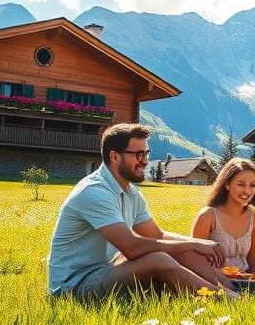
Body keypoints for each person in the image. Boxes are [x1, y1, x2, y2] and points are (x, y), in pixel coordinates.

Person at [48, 123, 237, 299]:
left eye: (147, 153)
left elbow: (157, 235)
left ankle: (233, 287)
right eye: (139, 155)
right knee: (159, 259)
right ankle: (230, 300)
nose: (146, 161)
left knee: (177, 249)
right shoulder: (94, 191)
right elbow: (133, 248)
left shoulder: (131, 193)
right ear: (115, 157)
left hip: (107, 269)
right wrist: (192, 244)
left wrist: (198, 243)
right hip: (73, 285)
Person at [191, 158, 255, 277]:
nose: (247, 191)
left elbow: (253, 260)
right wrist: (223, 274)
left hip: (245, 279)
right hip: (213, 279)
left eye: (252, 185)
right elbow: (194, 262)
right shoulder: (208, 216)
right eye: (240, 184)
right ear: (227, 184)